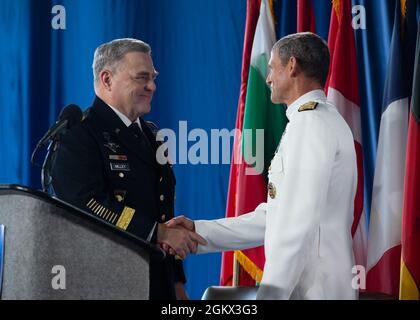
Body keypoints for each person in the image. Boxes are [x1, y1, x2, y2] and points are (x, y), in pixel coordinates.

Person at [166, 32, 358, 300]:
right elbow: (277, 217)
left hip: (312, 289)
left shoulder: (310, 125)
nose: (268, 78)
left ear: (292, 66)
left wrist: (269, 296)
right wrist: (199, 231)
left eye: (272, 68)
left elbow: (296, 226)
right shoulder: (320, 120)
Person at [51, 38, 206, 300]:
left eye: (153, 77)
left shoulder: (150, 135)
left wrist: (177, 282)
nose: (152, 86)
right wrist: (157, 232)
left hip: (156, 281)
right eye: (141, 77)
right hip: (106, 283)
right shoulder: (80, 135)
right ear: (107, 79)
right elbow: (85, 204)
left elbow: (162, 209)